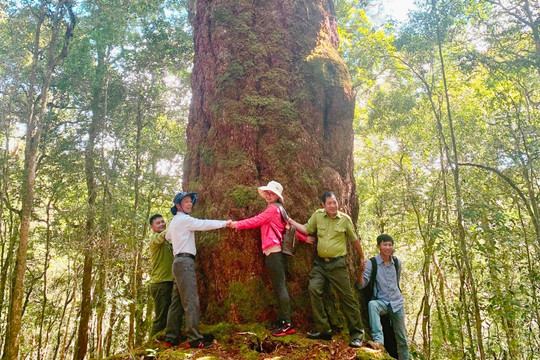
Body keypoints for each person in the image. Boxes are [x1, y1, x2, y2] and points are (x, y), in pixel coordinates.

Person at [228, 180, 311, 337]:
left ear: (277, 196)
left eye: (272, 193)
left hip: (274, 251)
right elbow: (288, 228)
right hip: (275, 251)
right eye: (267, 192)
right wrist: (305, 239)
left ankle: (286, 323)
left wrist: (237, 224)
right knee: (279, 287)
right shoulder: (281, 210)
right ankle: (282, 321)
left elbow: (256, 220)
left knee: (280, 287)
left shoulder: (273, 209)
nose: (268, 195)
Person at [289, 191, 365, 348]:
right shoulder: (318, 215)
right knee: (313, 289)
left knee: (347, 298)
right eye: (329, 203)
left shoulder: (345, 220)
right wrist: (290, 221)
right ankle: (324, 330)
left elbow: (354, 240)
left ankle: (357, 334)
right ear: (323, 205)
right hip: (320, 264)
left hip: (337, 265)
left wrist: (362, 257)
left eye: (335, 202)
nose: (333, 205)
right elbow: (306, 229)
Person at [164, 192, 231, 349]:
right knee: (191, 300)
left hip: (177, 262)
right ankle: (194, 338)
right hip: (185, 262)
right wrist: (224, 223)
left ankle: (171, 337)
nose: (190, 204)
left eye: (190, 202)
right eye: (186, 202)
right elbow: (204, 224)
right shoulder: (184, 220)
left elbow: (167, 237)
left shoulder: (175, 222)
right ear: (178, 205)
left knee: (177, 302)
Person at [357, 234, 409, 360]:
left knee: (402, 338)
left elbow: (397, 281)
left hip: (397, 303)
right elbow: (361, 285)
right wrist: (361, 271)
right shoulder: (371, 263)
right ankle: (378, 342)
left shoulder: (397, 263)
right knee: (372, 304)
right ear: (378, 246)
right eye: (384, 244)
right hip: (382, 302)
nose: (388, 247)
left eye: (390, 245)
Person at [148, 214, 177, 338]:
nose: (161, 224)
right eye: (158, 223)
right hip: (160, 283)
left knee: (169, 315)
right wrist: (177, 223)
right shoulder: (155, 239)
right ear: (152, 227)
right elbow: (163, 235)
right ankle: (150, 349)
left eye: (163, 222)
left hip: (169, 281)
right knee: (161, 317)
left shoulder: (166, 242)